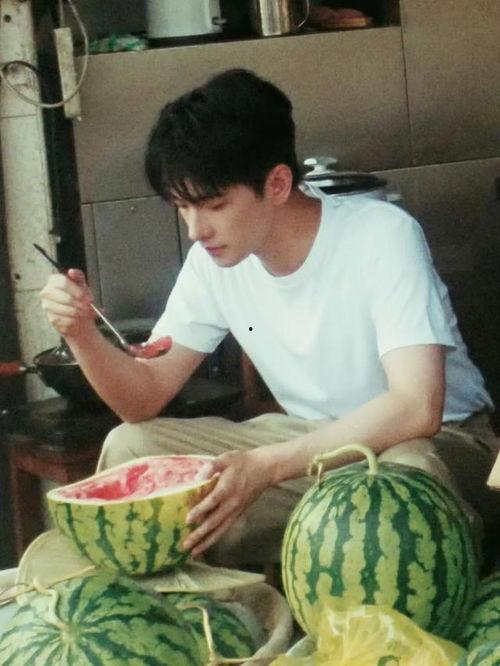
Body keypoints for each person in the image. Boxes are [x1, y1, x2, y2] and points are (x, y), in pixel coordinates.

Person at [40, 68, 499, 566]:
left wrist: (267, 466)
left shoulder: (380, 235)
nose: (196, 230)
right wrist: (80, 332)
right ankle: (191, 603)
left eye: (214, 205)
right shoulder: (212, 261)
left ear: (278, 184)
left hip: (437, 442)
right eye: (182, 208)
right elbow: (142, 399)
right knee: (133, 445)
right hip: (312, 444)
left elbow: (416, 406)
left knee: (397, 481)